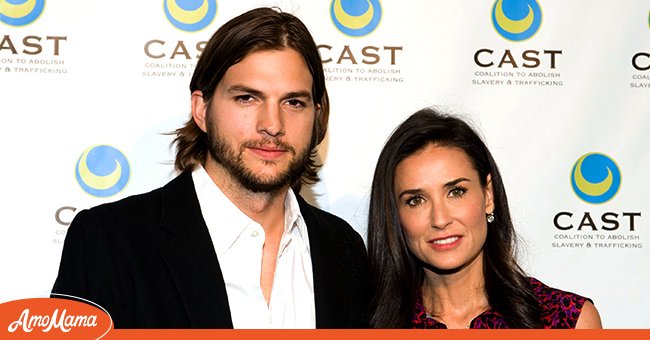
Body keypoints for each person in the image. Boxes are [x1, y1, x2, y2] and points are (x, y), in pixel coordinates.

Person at [52, 7, 369, 329]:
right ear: (202, 110)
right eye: (247, 98)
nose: (272, 125)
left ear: (316, 116)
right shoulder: (111, 240)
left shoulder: (344, 250)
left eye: (293, 102)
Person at [366, 107, 602, 329]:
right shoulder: (367, 325)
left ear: (488, 195)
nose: (440, 219)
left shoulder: (564, 321)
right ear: (394, 214)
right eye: (416, 200)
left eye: (456, 192)